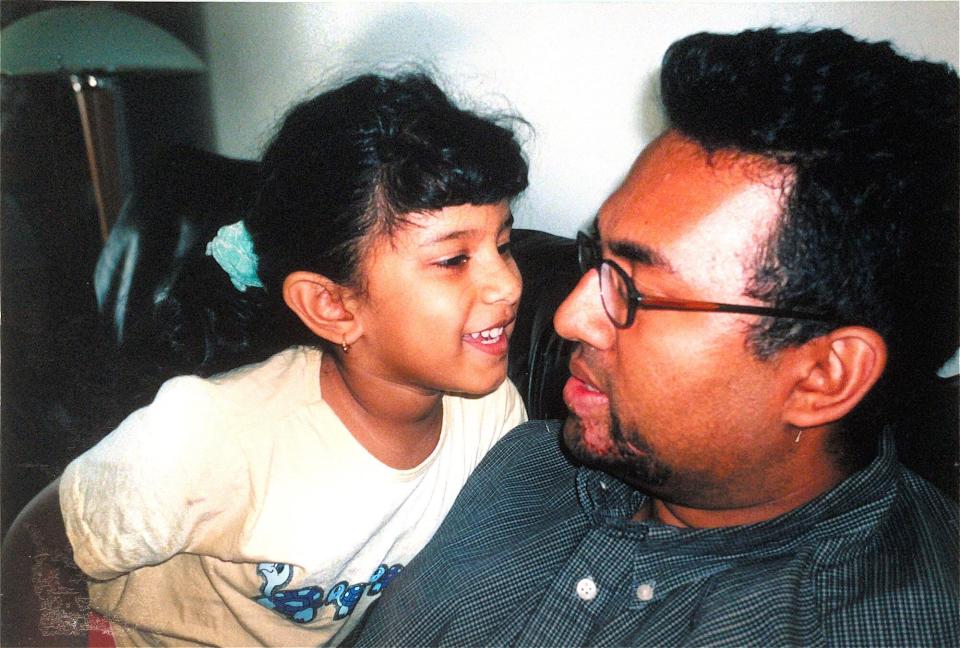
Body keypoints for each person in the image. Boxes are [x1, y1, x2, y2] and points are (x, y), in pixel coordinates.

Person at [349, 28, 959, 646]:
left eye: (633, 289)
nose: (567, 317)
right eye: (598, 258)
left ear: (823, 376)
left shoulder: (879, 626)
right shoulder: (529, 462)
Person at [57, 73, 530, 646]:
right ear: (331, 304)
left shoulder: (494, 419)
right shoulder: (209, 435)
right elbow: (46, 542)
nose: (506, 283)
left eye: (503, 244)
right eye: (454, 259)